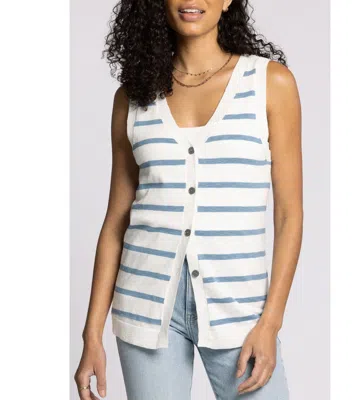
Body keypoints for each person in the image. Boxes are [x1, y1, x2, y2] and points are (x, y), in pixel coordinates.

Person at [74, 0, 303, 399]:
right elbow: (117, 220)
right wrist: (91, 334)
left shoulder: (269, 83)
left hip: (239, 311)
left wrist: (270, 322)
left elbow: (289, 215)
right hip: (144, 306)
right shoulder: (132, 96)